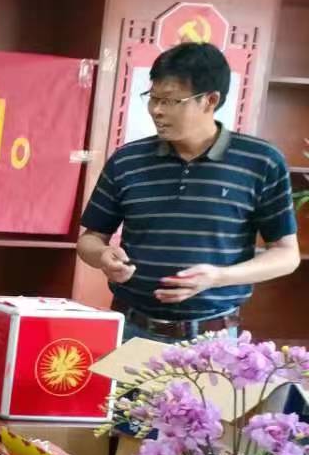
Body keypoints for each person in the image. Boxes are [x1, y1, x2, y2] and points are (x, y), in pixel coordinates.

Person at [79, 41, 300, 341]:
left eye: (170, 101)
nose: (157, 110)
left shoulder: (261, 161)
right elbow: (90, 239)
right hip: (130, 328)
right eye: (153, 98)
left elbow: (286, 255)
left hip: (213, 337)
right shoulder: (127, 160)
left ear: (210, 100)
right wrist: (103, 256)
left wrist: (218, 277)